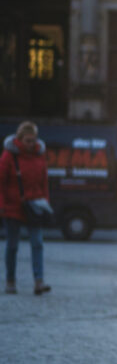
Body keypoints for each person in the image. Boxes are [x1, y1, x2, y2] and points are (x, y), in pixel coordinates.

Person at [0, 121, 52, 295]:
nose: (31, 144)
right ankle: (10, 281)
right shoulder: (9, 156)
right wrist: (1, 205)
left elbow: (44, 181)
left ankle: (39, 281)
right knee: (12, 246)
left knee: (37, 244)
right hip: (13, 207)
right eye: (28, 141)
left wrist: (45, 201)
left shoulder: (39, 155)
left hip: (34, 206)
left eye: (33, 140)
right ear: (20, 139)